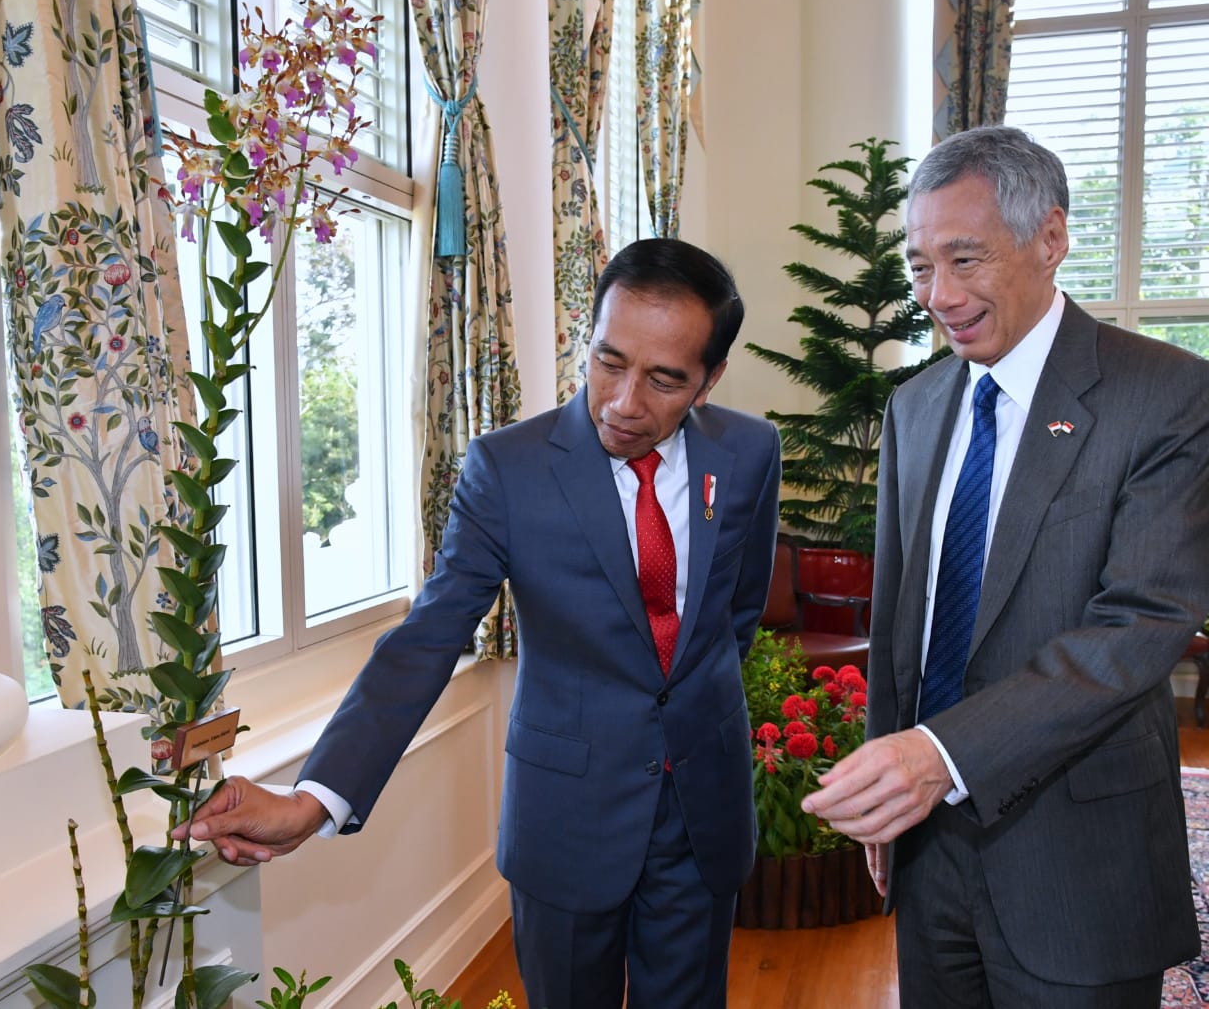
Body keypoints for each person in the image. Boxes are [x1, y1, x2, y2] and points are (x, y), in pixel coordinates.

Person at [173, 237, 782, 1009]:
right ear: (587, 337)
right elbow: (428, 635)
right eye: (607, 360)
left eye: (664, 380)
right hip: (568, 817)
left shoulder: (752, 452)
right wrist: (312, 798)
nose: (625, 402)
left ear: (709, 379)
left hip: (702, 813)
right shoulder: (509, 468)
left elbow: (735, 615)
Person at [802, 124, 1209, 1007]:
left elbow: (1141, 625)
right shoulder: (915, 407)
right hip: (929, 849)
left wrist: (936, 754)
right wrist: (889, 770)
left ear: (1051, 239)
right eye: (918, 267)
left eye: (965, 259)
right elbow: (903, 619)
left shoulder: (1165, 394)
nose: (938, 296)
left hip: (1078, 863)